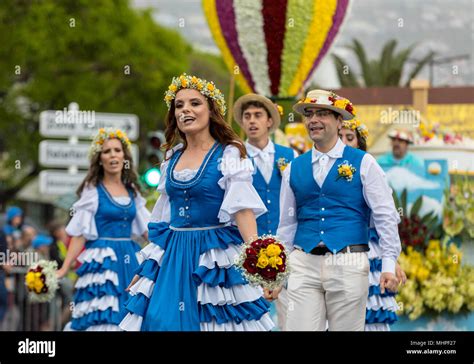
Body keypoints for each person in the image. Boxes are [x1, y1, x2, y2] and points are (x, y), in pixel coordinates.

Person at [120, 74, 274, 331]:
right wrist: (148, 267)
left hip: (213, 253)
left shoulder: (229, 152)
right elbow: (162, 222)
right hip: (174, 257)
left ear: (211, 110)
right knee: (160, 321)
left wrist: (257, 257)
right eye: (179, 105)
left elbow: (242, 208)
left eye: (195, 103)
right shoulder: (171, 156)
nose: (185, 110)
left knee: (213, 321)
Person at [276, 89, 401, 331]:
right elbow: (287, 224)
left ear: (339, 120)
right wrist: (278, 274)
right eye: (309, 114)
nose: (313, 120)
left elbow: (386, 215)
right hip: (303, 260)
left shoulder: (364, 162)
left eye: (322, 113)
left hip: (349, 260)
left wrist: (388, 264)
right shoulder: (293, 167)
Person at [57, 128, 150, 331]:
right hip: (103, 260)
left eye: (117, 150)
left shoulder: (132, 192)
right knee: (102, 314)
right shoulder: (93, 191)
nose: (113, 155)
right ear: (100, 159)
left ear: (124, 156)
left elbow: (148, 233)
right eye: (107, 151)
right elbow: (80, 235)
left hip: (130, 260)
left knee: (131, 315)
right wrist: (64, 267)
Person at [233, 93, 296, 331]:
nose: (252, 121)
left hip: (284, 245)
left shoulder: (289, 155)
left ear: (270, 121)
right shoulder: (234, 155)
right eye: (247, 116)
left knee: (289, 315)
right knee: (251, 314)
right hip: (246, 245)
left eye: (258, 115)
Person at [339, 118, 407, 331]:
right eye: (339, 137)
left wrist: (391, 260)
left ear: (359, 143)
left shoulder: (367, 168)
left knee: (370, 313)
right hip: (333, 251)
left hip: (369, 249)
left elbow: (383, 218)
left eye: (349, 138)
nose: (343, 142)